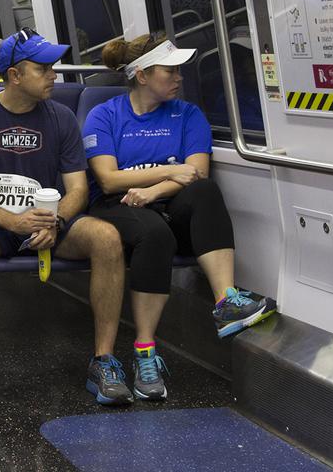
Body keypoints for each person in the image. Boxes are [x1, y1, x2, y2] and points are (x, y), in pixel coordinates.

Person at [0, 28, 131, 410]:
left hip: (49, 220)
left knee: (107, 237)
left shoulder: (60, 118)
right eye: (43, 69)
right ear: (14, 75)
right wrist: (13, 222)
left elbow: (77, 189)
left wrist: (54, 222)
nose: (53, 76)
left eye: (53, 68)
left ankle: (104, 361)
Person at [81, 34, 273, 401]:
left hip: (164, 202)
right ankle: (145, 352)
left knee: (204, 192)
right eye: (169, 71)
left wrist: (153, 190)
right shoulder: (104, 116)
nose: (178, 77)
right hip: (116, 206)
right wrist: (169, 174)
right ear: (142, 75)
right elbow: (108, 180)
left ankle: (226, 301)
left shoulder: (188, 115)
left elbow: (196, 173)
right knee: (156, 235)